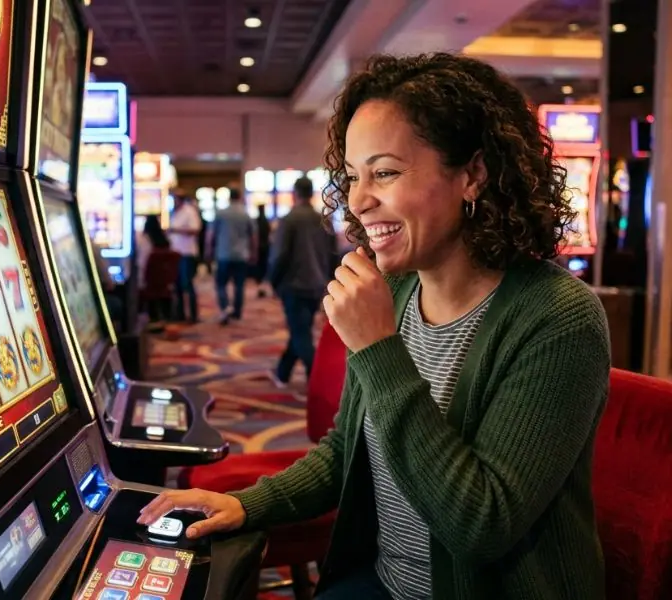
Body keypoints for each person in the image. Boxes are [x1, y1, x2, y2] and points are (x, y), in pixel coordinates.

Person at [137, 53, 610, 600]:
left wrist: (379, 350)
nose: (358, 202)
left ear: (473, 175)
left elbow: (480, 526)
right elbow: (346, 451)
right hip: (384, 580)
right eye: (353, 177)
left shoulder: (557, 316)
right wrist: (248, 503)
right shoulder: (401, 291)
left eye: (385, 172)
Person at [268, 176, 336, 385]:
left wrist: (273, 281)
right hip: (317, 283)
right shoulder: (322, 219)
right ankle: (282, 372)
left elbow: (279, 255)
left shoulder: (289, 219)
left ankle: (317, 376)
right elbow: (332, 253)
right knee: (301, 329)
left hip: (294, 284)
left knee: (300, 333)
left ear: (294, 194)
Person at [208, 187, 256, 325]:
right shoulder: (246, 213)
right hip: (241, 254)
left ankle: (225, 307)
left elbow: (211, 235)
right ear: (240, 196)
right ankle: (237, 312)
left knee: (221, 284)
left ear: (229, 197)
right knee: (239, 285)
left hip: (223, 254)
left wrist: (208, 251)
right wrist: (253, 253)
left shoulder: (221, 213)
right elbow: (253, 236)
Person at [168, 194, 202, 323]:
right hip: (175, 253)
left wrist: (175, 230)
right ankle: (180, 314)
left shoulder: (189, 211)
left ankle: (193, 315)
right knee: (177, 285)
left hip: (187, 253)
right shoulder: (174, 213)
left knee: (187, 284)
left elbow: (195, 230)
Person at [253, 210, 271, 297]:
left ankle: (260, 285)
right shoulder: (266, 221)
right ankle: (262, 286)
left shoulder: (256, 221)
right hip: (265, 246)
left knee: (258, 268)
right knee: (264, 267)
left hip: (257, 247)